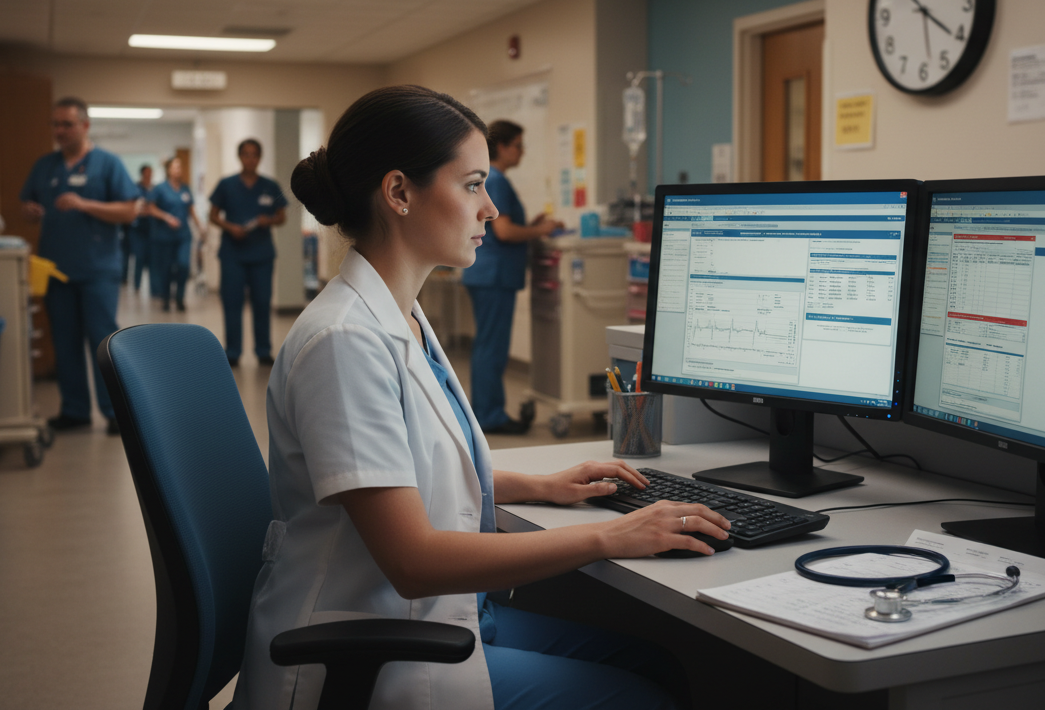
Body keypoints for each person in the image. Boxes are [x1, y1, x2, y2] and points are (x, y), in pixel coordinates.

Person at [234, 85, 729, 710]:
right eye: (472, 185)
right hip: (366, 650)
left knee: (656, 661)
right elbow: (413, 560)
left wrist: (544, 485)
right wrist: (611, 536)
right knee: (642, 696)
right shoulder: (343, 341)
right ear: (399, 193)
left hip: (429, 614)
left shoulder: (399, 314)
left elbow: (407, 467)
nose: (491, 209)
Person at [19, 97, 142, 435]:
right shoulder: (45, 166)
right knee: (64, 341)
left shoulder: (107, 164)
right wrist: (29, 212)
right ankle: (74, 410)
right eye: (55, 124)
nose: (59, 130)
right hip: (56, 270)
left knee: (103, 342)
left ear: (85, 126)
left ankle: (115, 413)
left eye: (67, 124)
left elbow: (129, 212)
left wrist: (85, 204)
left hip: (97, 269)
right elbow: (26, 204)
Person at [462, 120, 562, 435]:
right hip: (495, 275)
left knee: (486, 345)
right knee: (492, 347)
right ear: (502, 147)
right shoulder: (498, 180)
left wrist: (529, 224)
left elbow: (502, 226)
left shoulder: (489, 179)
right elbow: (504, 232)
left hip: (487, 273)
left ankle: (484, 411)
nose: (522, 151)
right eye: (518, 145)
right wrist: (540, 230)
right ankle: (489, 415)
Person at [208, 139, 288, 366]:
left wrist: (268, 220)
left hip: (261, 255)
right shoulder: (226, 184)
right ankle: (232, 352)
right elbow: (213, 215)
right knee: (232, 303)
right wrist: (230, 227)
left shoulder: (270, 186)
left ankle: (263, 350)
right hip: (232, 254)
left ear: (260, 158)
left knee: (262, 302)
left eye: (254, 155)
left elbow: (282, 217)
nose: (250, 159)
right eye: (246, 154)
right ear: (239, 156)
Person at [146, 158, 204, 312]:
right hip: (164, 236)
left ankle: (179, 297)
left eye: (180, 166)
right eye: (175, 166)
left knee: (183, 265)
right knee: (166, 269)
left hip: (183, 235)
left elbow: (191, 210)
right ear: (168, 169)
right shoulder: (160, 188)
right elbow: (151, 208)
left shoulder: (186, 189)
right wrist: (167, 217)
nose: (178, 169)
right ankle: (165, 297)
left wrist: (200, 227)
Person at [130, 164, 154, 293]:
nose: (149, 174)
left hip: (152, 228)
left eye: (151, 172)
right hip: (138, 229)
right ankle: (137, 285)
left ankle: (153, 287)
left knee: (152, 259)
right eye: (147, 172)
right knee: (139, 258)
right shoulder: (136, 188)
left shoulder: (154, 189)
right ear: (142, 173)